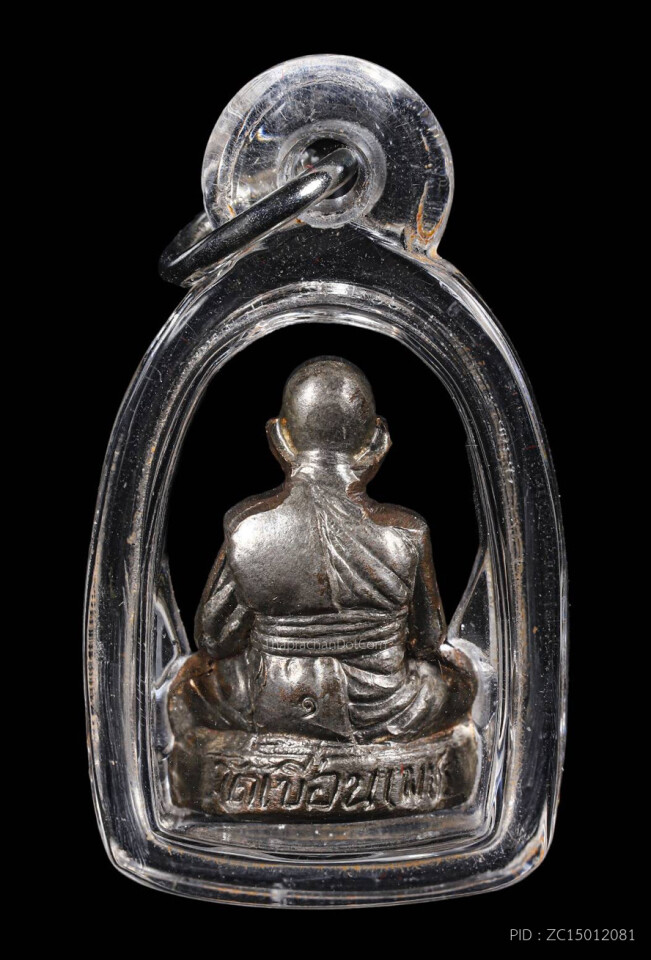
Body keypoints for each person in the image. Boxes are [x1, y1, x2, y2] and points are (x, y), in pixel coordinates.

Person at [168, 357, 475, 745]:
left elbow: (214, 639)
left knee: (192, 685)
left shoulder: (247, 526)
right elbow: (428, 640)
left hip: (272, 703)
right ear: (378, 439)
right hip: (384, 710)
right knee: (456, 681)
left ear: (279, 438)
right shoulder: (406, 532)